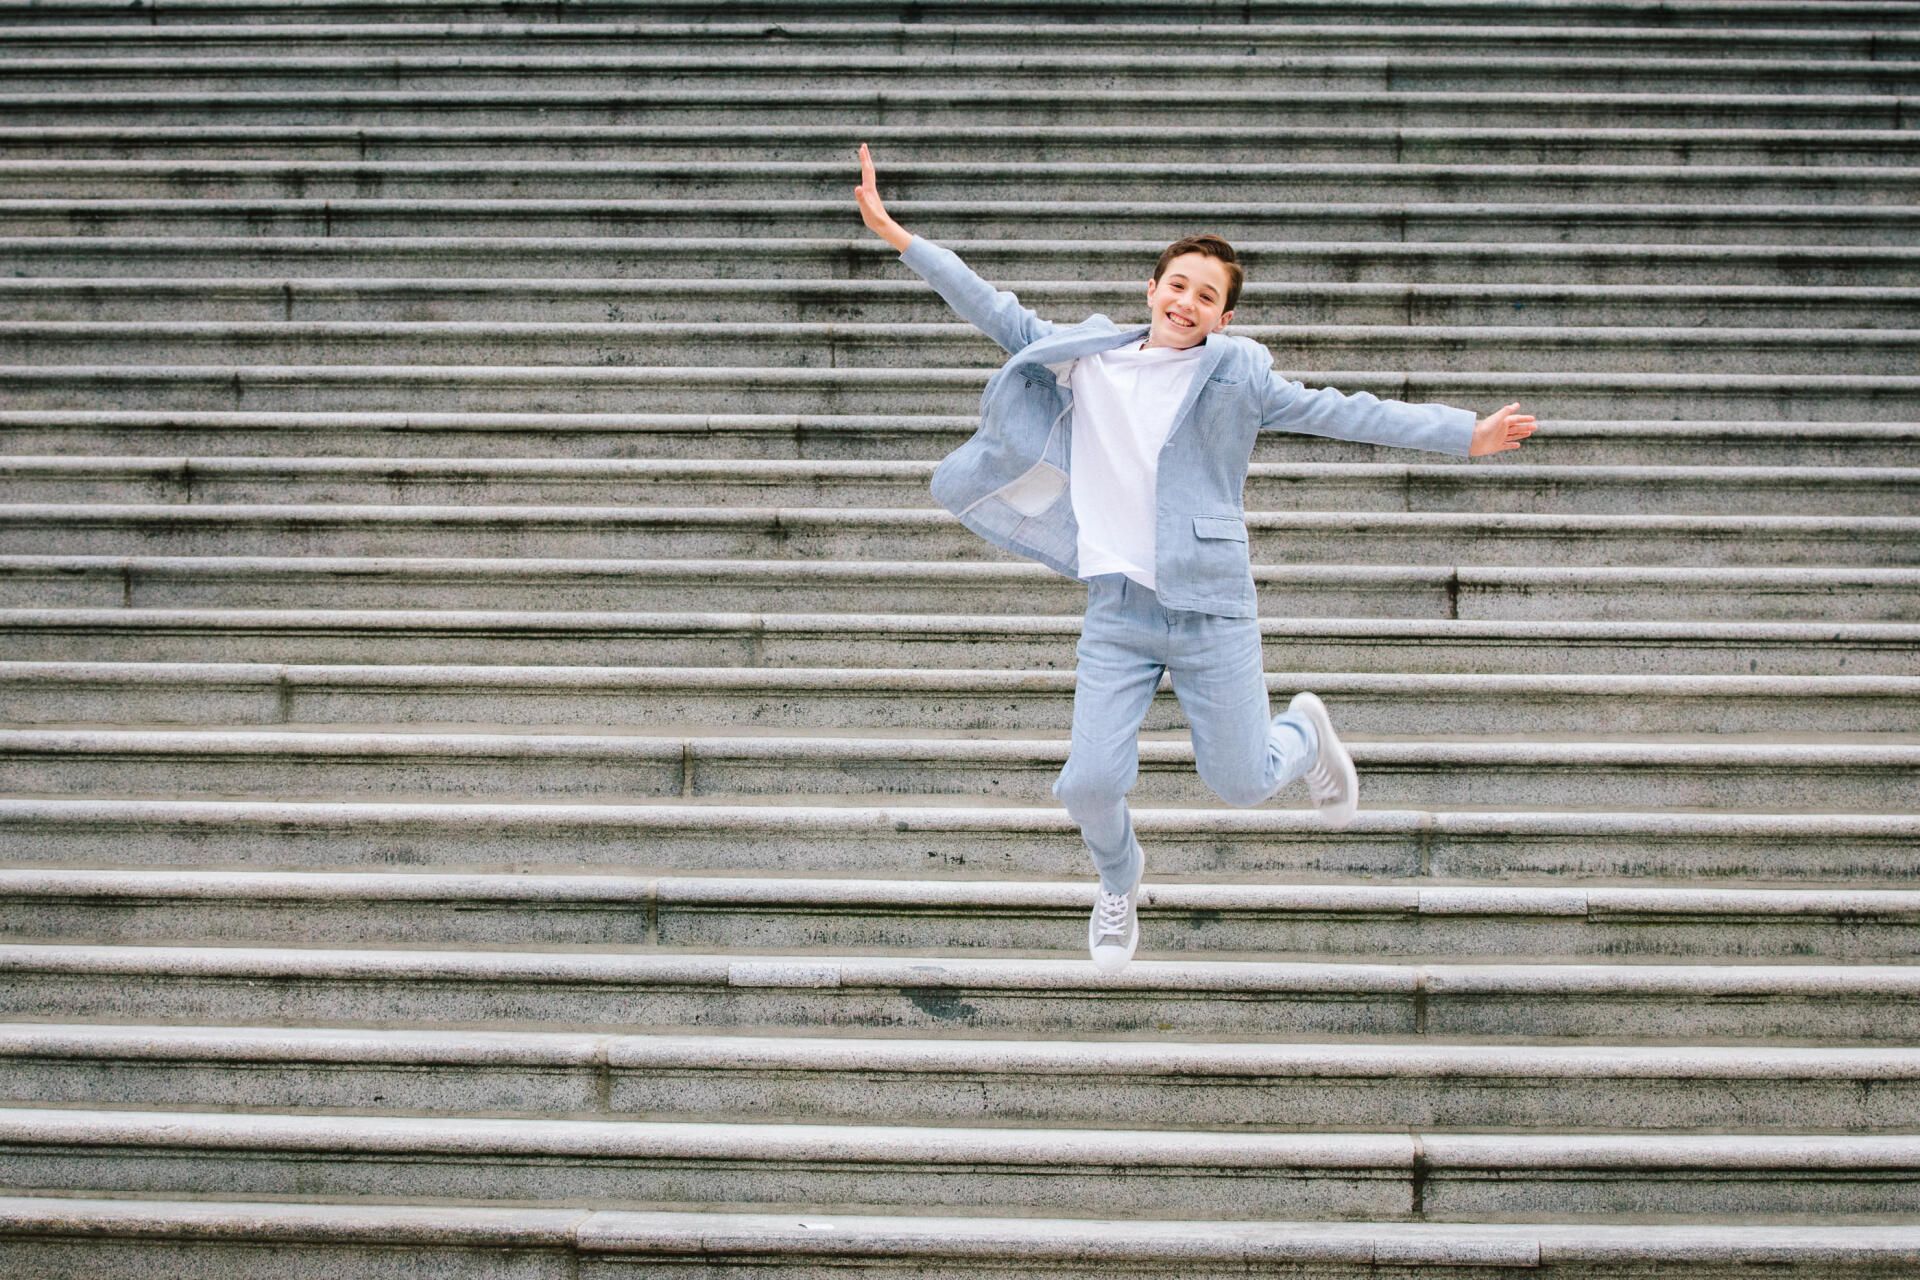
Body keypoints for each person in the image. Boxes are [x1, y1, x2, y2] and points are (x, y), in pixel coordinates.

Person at [854, 143, 1536, 972]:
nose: (1187, 302)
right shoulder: (1089, 359)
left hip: (1212, 608)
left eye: (1207, 296)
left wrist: (1465, 435)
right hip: (1119, 611)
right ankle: (1119, 881)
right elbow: (991, 306)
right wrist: (899, 236)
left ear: (1225, 318)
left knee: (1243, 783)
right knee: (1087, 783)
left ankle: (1305, 735)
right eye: (1177, 285)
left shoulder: (1238, 379)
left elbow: (1344, 411)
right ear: (1151, 289)